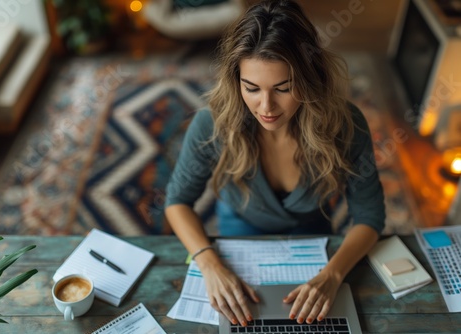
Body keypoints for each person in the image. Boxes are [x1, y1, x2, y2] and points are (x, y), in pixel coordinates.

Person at [164, 0, 385, 328]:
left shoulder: (346, 124)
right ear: (235, 78)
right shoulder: (211, 124)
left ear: (310, 79)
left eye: (284, 88)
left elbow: (370, 216)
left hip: (312, 231)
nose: (266, 106)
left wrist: (333, 275)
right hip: (242, 227)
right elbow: (177, 202)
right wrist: (209, 263)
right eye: (251, 88)